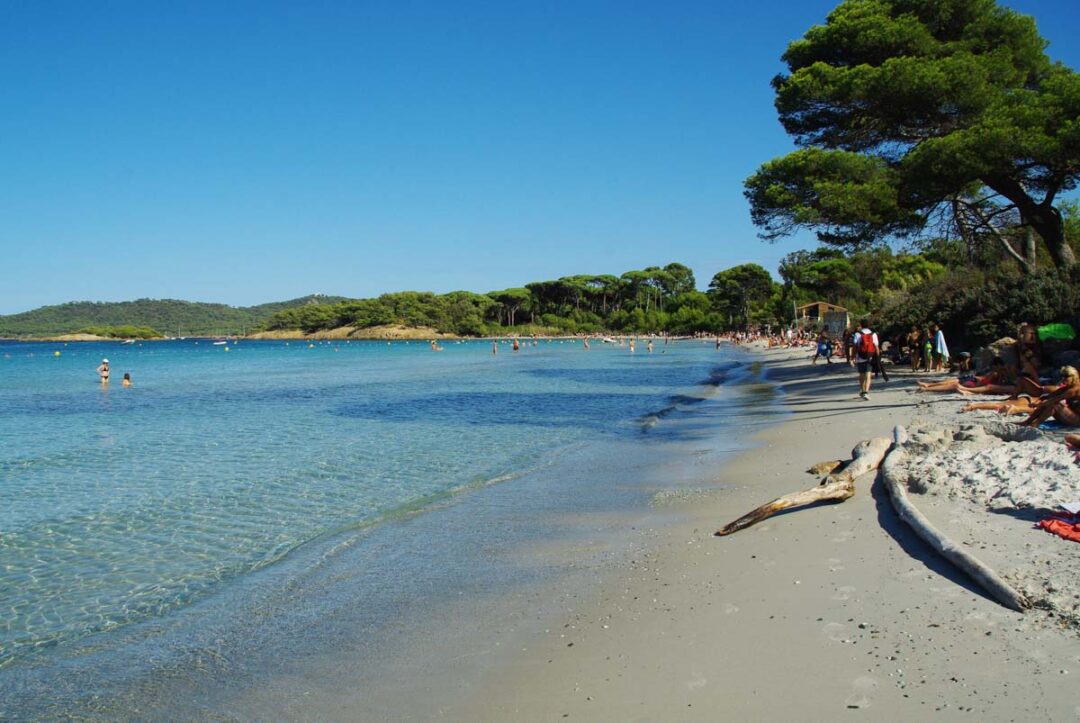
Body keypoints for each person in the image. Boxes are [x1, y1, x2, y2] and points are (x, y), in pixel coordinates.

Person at [850, 320, 879, 400]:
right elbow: (876, 347)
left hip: (860, 357)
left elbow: (855, 347)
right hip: (870, 356)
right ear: (869, 325)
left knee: (862, 374)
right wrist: (878, 358)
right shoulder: (873, 334)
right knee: (868, 375)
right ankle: (866, 392)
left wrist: (852, 358)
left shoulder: (857, 334)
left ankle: (863, 391)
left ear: (861, 325)